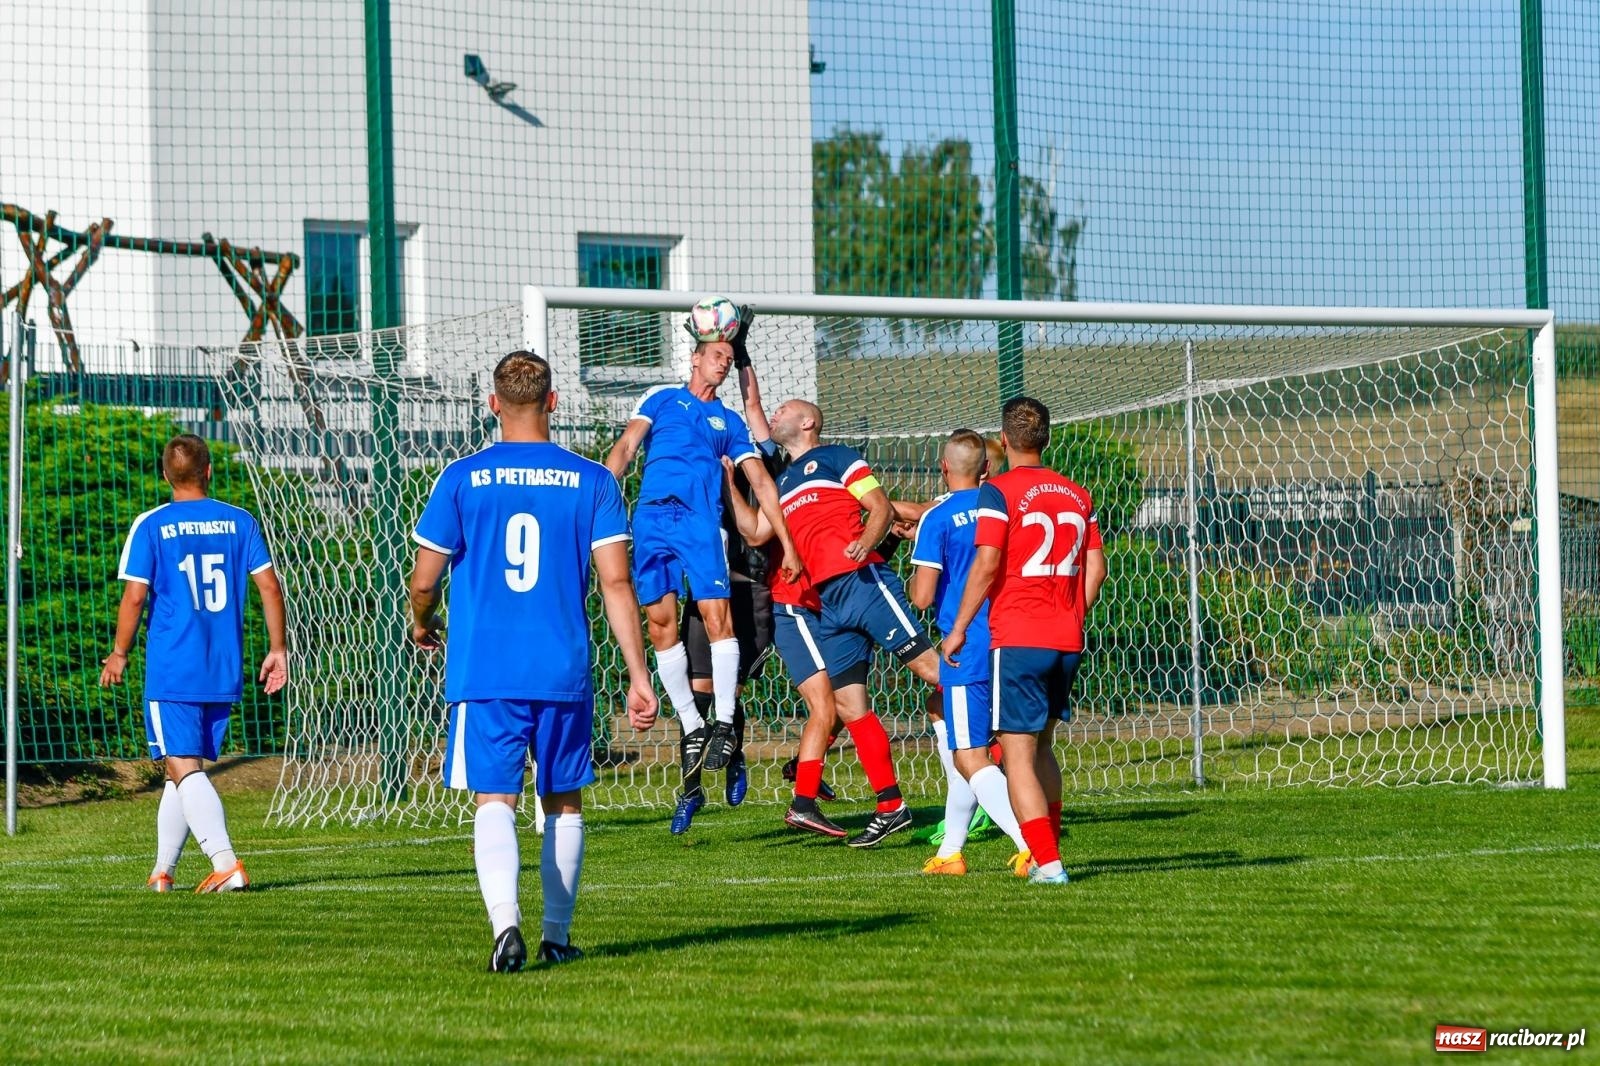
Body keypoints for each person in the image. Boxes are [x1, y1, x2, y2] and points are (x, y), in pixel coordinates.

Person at [409, 351, 658, 972]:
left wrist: (422, 621)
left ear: (493, 404)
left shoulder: (461, 478)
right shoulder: (593, 481)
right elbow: (617, 584)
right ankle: (556, 934)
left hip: (485, 669)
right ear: (553, 402)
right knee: (563, 802)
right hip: (562, 669)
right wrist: (638, 674)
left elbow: (423, 579)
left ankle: (504, 927)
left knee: (495, 799)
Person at [605, 304, 800, 788]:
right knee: (659, 624)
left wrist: (790, 546)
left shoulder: (728, 421)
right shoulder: (662, 397)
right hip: (652, 519)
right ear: (695, 358)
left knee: (718, 617)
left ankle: (723, 725)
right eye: (716, 355)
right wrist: (602, 496)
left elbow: (762, 481)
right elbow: (628, 447)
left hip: (699, 522)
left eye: (728, 360)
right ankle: (693, 726)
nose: (722, 364)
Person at [745, 399, 944, 847]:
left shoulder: (837, 457)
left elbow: (879, 506)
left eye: (784, 410)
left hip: (861, 583)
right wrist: (720, 478)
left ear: (808, 421)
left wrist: (867, 542)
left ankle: (998, 735)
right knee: (851, 708)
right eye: (772, 411)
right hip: (825, 606)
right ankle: (891, 806)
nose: (774, 415)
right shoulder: (780, 480)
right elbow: (755, 530)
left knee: (931, 671)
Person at [99, 433, 288, 894]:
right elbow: (269, 587)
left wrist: (120, 653)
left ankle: (226, 865)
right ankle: (163, 871)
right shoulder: (239, 521)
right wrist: (278, 647)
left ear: (165, 475)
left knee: (183, 765)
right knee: (181, 768)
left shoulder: (152, 525)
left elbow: (135, 595)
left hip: (173, 668)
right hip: (221, 667)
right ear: (208, 472)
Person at [941, 396, 1107, 885]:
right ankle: (1042, 853)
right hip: (1065, 636)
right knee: (1042, 749)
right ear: (1047, 438)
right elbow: (1095, 568)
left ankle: (1049, 864)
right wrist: (1073, 612)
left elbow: (988, 562)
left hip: (1017, 638)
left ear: (1006, 440)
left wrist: (957, 629)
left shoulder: (998, 492)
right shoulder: (1078, 494)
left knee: (1016, 755)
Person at [907, 430, 1031, 877]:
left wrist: (921, 559)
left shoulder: (937, 518)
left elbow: (922, 598)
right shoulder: (1004, 507)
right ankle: (950, 853)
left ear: (943, 468)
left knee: (970, 754)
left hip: (968, 647)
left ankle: (1029, 843)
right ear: (986, 469)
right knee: (955, 730)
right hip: (1016, 637)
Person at [674, 314, 780, 833]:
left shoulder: (762, 456)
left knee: (727, 686)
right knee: (695, 689)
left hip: (749, 580)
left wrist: (743, 348)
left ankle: (733, 758)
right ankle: (690, 789)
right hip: (705, 574)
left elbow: (753, 405)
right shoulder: (707, 438)